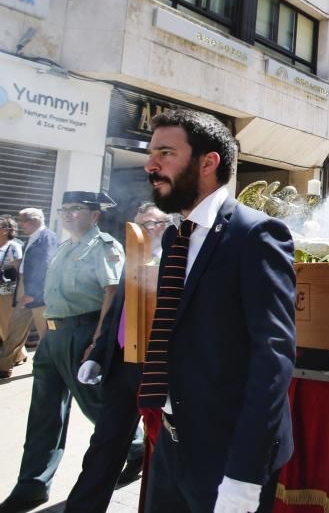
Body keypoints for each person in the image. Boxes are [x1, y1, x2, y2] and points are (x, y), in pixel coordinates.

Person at [140, 109, 296, 512]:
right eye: (151, 152)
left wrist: (243, 476)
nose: (150, 165)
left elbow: (273, 357)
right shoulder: (176, 235)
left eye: (165, 153)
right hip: (172, 446)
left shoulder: (257, 234)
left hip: (227, 455)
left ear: (208, 162)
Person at [0, 192, 124, 513]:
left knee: (96, 406)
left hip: (82, 333)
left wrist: (98, 341)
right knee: (43, 413)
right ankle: (32, 485)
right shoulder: (64, 246)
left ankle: (134, 442)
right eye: (64, 210)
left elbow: (112, 292)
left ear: (94, 215)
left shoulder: (104, 246)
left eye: (76, 210)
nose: (68, 215)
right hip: (53, 336)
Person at [65, 203, 172, 512]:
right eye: (135, 225)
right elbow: (115, 315)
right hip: (122, 367)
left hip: (159, 371)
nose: (138, 232)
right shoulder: (131, 262)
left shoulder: (177, 264)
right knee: (105, 446)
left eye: (147, 225)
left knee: (166, 451)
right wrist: (97, 355)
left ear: (164, 226)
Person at [0, 209, 57, 378]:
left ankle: (45, 367)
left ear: (34, 221)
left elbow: (44, 266)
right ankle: (4, 365)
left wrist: (33, 293)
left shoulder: (47, 237)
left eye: (23, 221)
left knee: (44, 332)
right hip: (26, 286)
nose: (20, 224)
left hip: (37, 291)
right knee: (15, 326)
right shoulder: (34, 237)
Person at [0, 216, 24, 371]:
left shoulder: (13, 246)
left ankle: (17, 354)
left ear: (7, 230)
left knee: (6, 323)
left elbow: (18, 271)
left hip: (7, 291)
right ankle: (19, 354)